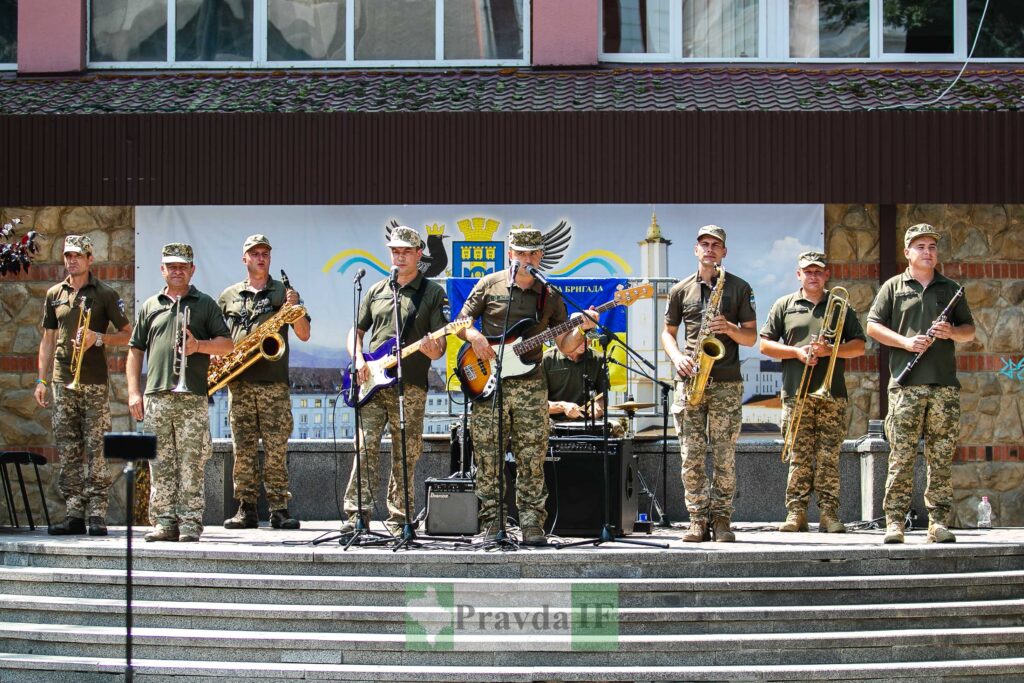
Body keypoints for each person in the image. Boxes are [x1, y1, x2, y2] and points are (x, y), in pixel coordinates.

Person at [457, 227, 597, 545]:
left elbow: (564, 343)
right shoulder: (489, 285)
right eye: (521, 253)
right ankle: (492, 523)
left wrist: (583, 328)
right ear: (510, 253)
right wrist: (475, 336)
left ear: (541, 256)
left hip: (531, 382)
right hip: (489, 383)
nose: (527, 259)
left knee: (532, 455)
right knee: (488, 456)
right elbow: (458, 322)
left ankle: (532, 522)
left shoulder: (550, 295)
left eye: (533, 253)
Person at [866, 223, 975, 544]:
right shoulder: (893, 287)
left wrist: (951, 332)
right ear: (907, 253)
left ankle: (938, 521)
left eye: (932, 247)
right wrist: (905, 342)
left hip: (943, 385)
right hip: (906, 385)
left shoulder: (950, 287)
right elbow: (873, 326)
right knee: (901, 454)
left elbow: (969, 330)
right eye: (921, 247)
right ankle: (895, 521)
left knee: (941, 455)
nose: (928, 252)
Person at [341, 226, 448, 536]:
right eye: (395, 251)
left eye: (406, 251)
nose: (399, 256)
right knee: (364, 448)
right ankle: (356, 516)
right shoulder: (375, 290)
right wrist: (358, 359)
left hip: (410, 385)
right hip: (372, 384)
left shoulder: (432, 293)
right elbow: (356, 331)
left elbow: (440, 346)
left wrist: (434, 348)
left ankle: (400, 518)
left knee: (406, 453)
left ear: (418, 255)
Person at [127, 243, 233, 542]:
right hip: (156, 396)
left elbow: (227, 345)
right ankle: (164, 522)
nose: (176, 270)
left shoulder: (205, 304)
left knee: (192, 461)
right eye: (171, 266)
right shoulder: (150, 305)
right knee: (160, 462)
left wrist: (199, 346)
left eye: (182, 266)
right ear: (162, 270)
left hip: (192, 397)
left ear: (192, 270)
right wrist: (134, 392)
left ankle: (189, 523)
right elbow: (135, 351)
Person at [661, 225, 757, 543]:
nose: (710, 249)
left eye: (716, 245)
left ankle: (722, 520)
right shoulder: (680, 290)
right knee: (691, 455)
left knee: (724, 455)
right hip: (690, 381)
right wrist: (677, 359)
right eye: (704, 244)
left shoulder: (739, 288)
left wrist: (729, 327)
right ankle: (697, 520)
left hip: (726, 383)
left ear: (724, 252)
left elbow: (752, 336)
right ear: (695, 249)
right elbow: (667, 333)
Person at [759, 251, 866, 534]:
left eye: (818, 271)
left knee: (829, 456)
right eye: (808, 271)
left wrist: (830, 350)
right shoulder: (785, 305)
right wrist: (796, 352)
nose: (813, 276)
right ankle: (796, 514)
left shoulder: (840, 305)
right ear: (799, 275)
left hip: (832, 394)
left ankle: (829, 515)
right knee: (799, 456)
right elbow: (765, 345)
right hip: (797, 393)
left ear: (826, 275)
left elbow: (859, 347)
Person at [35, 235, 132, 536]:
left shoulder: (105, 293)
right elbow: (48, 339)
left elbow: (128, 335)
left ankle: (97, 515)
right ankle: (75, 513)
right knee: (68, 449)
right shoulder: (54, 294)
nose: (71, 260)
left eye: (77, 255)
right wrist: (41, 379)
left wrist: (98, 338)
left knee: (96, 449)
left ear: (90, 258)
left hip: (92, 383)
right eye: (67, 255)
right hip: (62, 383)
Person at [219, 234, 311, 531]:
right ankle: (245, 509)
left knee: (276, 449)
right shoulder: (228, 296)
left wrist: (294, 308)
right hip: (239, 382)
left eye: (265, 253)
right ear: (244, 258)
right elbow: (219, 339)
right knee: (242, 449)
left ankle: (279, 509)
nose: (260, 258)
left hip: (273, 384)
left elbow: (304, 333)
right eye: (254, 253)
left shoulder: (285, 292)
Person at [543, 335, 607, 423]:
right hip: (553, 420)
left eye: (589, 338)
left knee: (616, 428)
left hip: (588, 420)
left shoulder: (598, 359)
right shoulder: (546, 359)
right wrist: (563, 406)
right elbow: (537, 403)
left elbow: (603, 395)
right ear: (568, 337)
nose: (586, 340)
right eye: (580, 337)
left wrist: (598, 405)